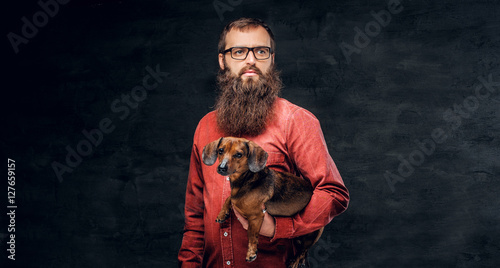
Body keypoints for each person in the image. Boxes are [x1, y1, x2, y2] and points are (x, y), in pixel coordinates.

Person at [178, 17, 349, 268]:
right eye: (239, 51)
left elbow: (333, 194)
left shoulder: (297, 121)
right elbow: (195, 217)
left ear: (271, 59)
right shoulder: (205, 127)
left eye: (261, 51)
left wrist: (281, 227)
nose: (251, 60)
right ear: (222, 60)